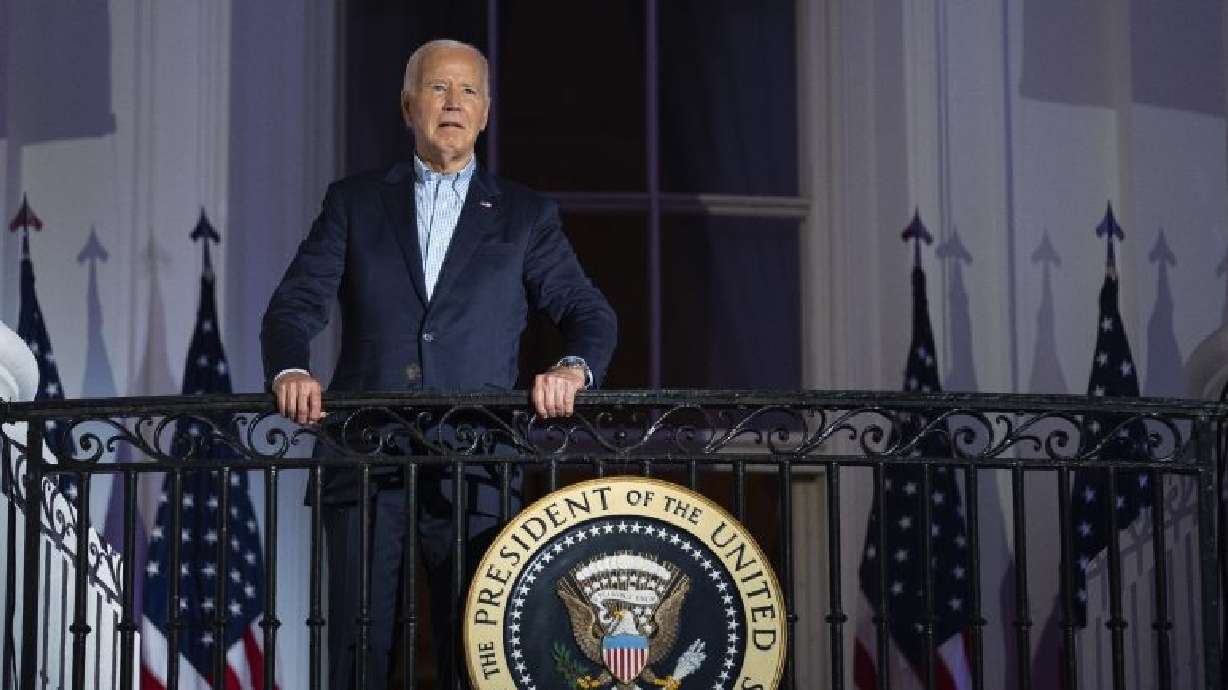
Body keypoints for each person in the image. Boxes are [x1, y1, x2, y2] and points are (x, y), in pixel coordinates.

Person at [260, 38, 617, 689]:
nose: (452, 103)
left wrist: (570, 368)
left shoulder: (525, 216)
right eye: (437, 88)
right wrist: (290, 370)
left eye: (468, 91)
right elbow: (294, 306)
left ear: (484, 113)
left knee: (476, 655)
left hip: (476, 462)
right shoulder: (354, 202)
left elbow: (588, 313)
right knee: (356, 655)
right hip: (365, 458)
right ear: (408, 106)